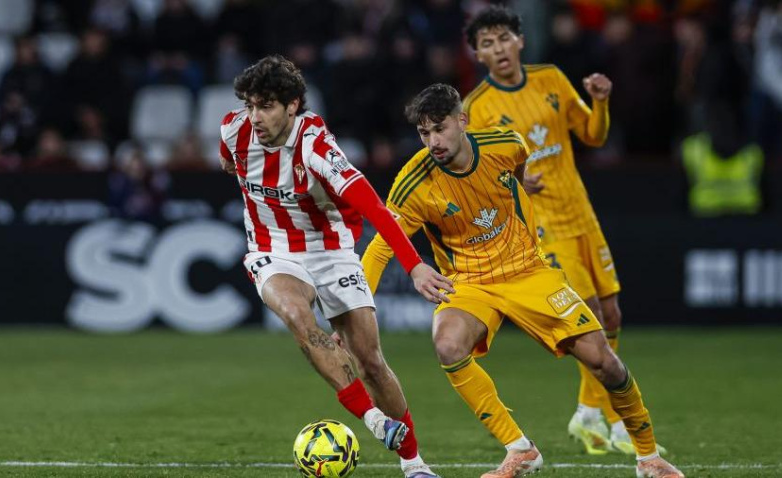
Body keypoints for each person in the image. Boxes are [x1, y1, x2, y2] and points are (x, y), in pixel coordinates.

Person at [361, 83, 684, 478]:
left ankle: (649, 457)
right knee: (447, 344)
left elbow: (519, 162)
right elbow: (381, 246)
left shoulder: (504, 144)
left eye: (440, 129)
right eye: (424, 133)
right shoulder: (414, 182)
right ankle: (520, 449)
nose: (433, 142)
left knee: (604, 362)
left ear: (462, 121)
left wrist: (518, 188)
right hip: (470, 280)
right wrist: (357, 309)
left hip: (528, 269)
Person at [219, 55, 449, 478]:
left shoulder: (316, 146)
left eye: (266, 106)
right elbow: (227, 160)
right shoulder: (233, 130)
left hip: (331, 251)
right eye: (250, 105)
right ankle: (374, 421)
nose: (255, 116)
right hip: (272, 250)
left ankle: (414, 463)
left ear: (292, 105)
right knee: (295, 314)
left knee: (371, 362)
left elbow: (376, 209)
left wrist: (415, 266)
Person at [462, 6, 654, 456]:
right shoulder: (476, 109)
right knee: (590, 314)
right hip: (542, 227)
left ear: (520, 41)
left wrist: (600, 101)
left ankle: (590, 410)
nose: (498, 49)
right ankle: (613, 419)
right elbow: (471, 177)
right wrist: (512, 182)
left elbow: (593, 135)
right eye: (487, 43)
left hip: (582, 214)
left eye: (504, 38)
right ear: (477, 55)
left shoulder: (550, 78)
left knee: (612, 315)